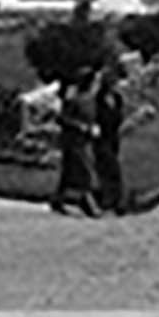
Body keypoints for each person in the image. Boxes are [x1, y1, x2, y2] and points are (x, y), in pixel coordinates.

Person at [51, 73, 99, 215]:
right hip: (73, 141)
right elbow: (62, 118)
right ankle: (86, 201)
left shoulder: (91, 100)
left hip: (83, 140)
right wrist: (80, 126)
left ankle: (57, 199)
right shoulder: (75, 100)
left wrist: (93, 127)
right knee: (85, 171)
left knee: (69, 172)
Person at [93, 63, 127, 215]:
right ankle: (115, 199)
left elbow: (119, 115)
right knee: (110, 167)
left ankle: (111, 198)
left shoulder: (117, 98)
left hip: (113, 136)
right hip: (101, 138)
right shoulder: (97, 100)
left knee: (109, 167)